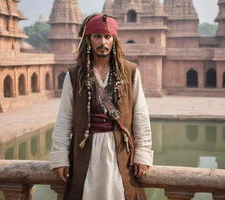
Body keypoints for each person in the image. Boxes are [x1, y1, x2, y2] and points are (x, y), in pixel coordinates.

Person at [50, 14, 153, 200]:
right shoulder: (74, 75)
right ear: (88, 40)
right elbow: (64, 119)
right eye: (97, 36)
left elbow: (141, 116)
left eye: (107, 37)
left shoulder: (130, 72)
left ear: (114, 40)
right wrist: (60, 157)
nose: (103, 42)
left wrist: (143, 154)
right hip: (84, 153)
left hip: (121, 152)